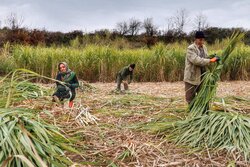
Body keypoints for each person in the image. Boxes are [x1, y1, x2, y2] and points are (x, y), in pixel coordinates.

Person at [184, 31, 220, 105]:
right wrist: (211, 60)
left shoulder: (204, 47)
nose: (202, 41)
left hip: (202, 76)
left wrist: (213, 57)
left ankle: (202, 112)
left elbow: (205, 58)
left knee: (202, 96)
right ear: (196, 39)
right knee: (190, 98)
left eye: (203, 40)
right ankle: (192, 113)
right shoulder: (191, 48)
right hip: (192, 76)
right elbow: (196, 60)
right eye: (200, 40)